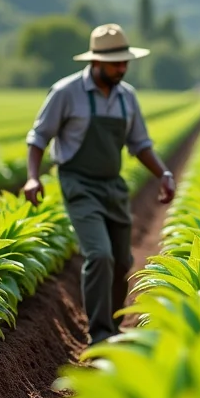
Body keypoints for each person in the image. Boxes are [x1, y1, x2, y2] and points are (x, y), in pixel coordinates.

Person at [23, 23, 177, 346]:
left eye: (125, 62)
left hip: (112, 184)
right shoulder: (66, 93)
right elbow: (39, 137)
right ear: (95, 62)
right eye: (115, 63)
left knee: (123, 260)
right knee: (100, 255)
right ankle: (100, 333)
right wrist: (33, 177)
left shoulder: (127, 97)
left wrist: (163, 174)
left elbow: (140, 144)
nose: (122, 68)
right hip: (78, 183)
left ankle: (113, 323)